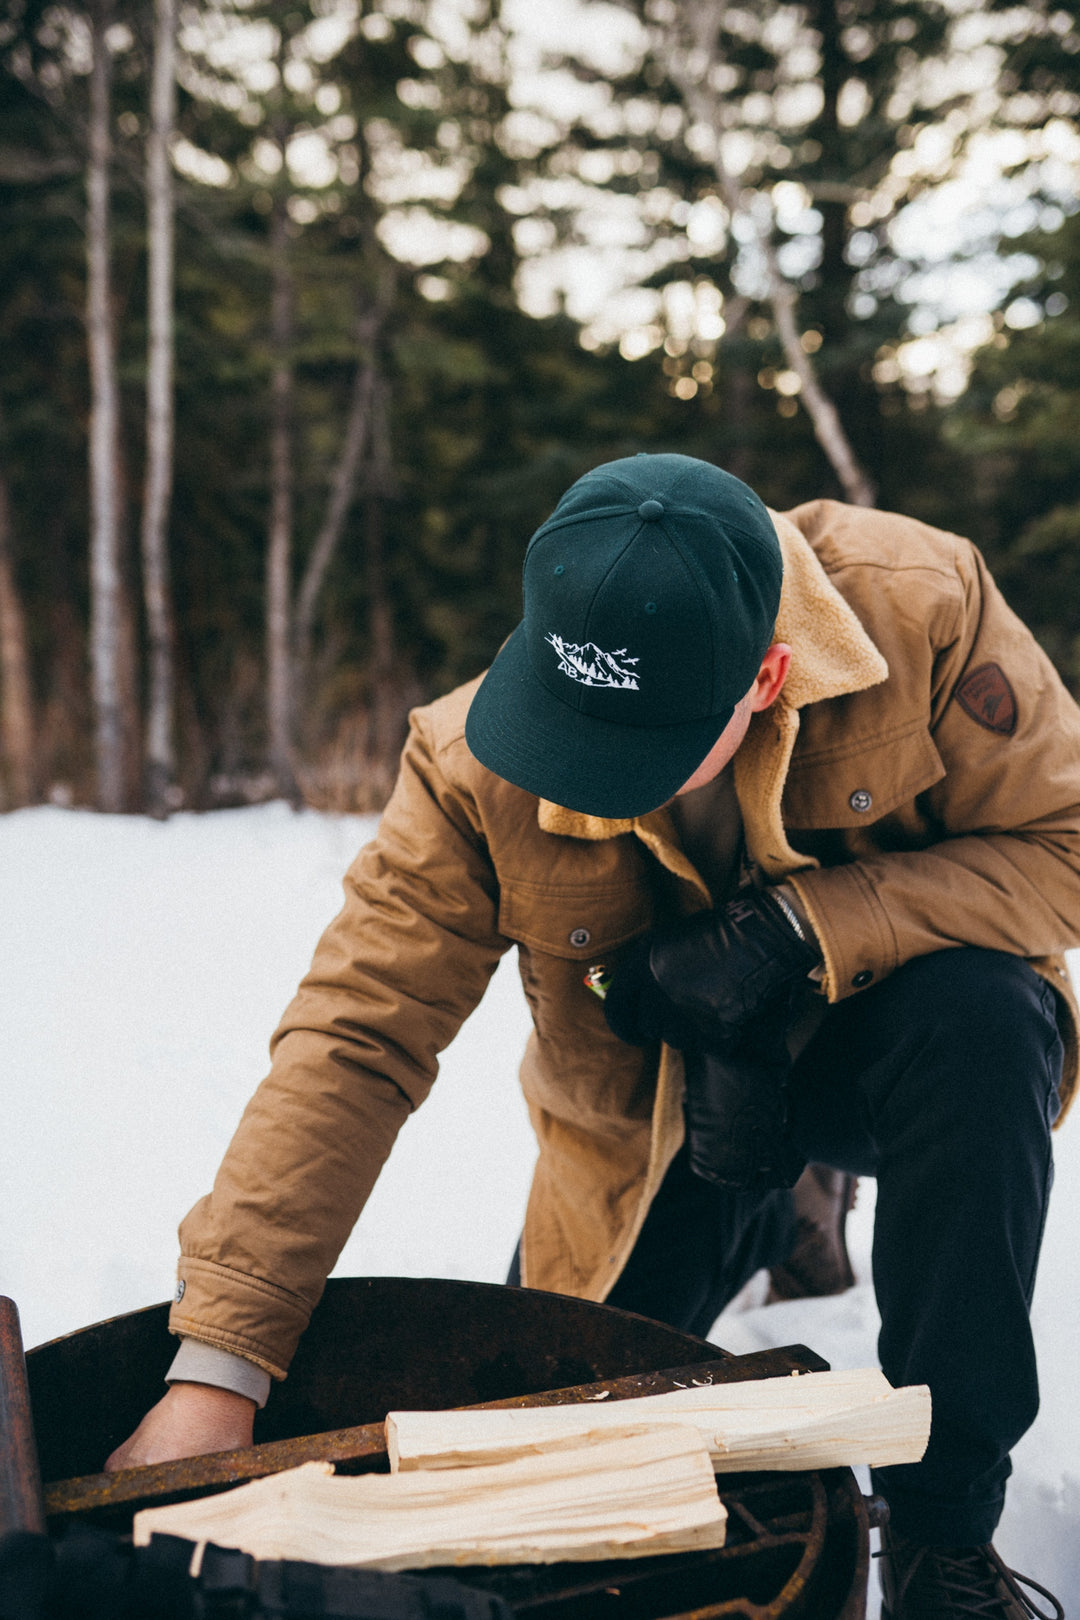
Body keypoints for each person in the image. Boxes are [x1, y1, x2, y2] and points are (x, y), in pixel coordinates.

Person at [107, 455, 1076, 1619]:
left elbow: (1064, 846)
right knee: (565, 1449)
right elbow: (354, 1041)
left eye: (634, 755)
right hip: (642, 1115)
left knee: (990, 1024)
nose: (596, 789)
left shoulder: (921, 609)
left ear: (767, 678)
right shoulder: (466, 766)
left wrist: (794, 927)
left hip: (891, 1042)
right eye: (568, 734)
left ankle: (942, 1532)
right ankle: (774, 1205)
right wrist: (221, 1364)